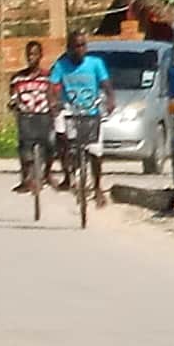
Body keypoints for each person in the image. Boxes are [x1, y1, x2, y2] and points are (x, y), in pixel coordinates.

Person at [40, 33, 111, 219]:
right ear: (69, 48)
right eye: (76, 46)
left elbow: (105, 84)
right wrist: (53, 102)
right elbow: (52, 87)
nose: (80, 50)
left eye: (83, 46)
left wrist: (110, 99)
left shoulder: (95, 63)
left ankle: (97, 187)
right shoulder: (61, 65)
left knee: (95, 152)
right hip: (70, 110)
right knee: (62, 135)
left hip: (91, 112)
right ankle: (67, 170)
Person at [5, 57, 60, 196]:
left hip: (43, 115)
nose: (31, 57)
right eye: (29, 54)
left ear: (40, 56)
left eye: (35, 54)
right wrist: (14, 104)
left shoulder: (47, 77)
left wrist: (55, 104)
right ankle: (26, 179)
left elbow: (54, 94)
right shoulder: (18, 78)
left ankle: (47, 173)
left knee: (51, 144)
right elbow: (13, 96)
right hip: (26, 116)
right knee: (24, 146)